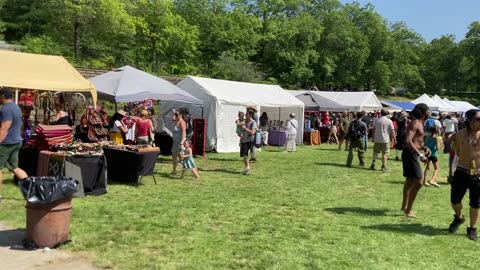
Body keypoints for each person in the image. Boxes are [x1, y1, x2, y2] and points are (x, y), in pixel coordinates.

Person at [447, 109, 480, 240]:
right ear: (469, 120)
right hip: (462, 171)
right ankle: (459, 217)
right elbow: (452, 148)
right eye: (478, 119)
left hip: (478, 173)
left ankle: (472, 228)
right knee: (455, 200)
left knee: (476, 203)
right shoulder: (459, 134)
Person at [401, 103, 430, 218]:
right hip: (410, 154)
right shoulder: (415, 123)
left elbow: (416, 140)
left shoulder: (420, 123)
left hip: (413, 153)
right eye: (428, 111)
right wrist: (421, 155)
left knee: (409, 181)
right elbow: (408, 140)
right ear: (424, 112)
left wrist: (423, 147)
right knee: (418, 182)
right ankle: (408, 209)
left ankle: (404, 206)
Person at [0, 87, 28, 203]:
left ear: (2, 96)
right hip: (16, 141)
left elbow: (4, 128)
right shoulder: (17, 107)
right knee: (14, 168)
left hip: (6, 143)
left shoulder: (5, 109)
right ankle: (31, 190)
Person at [240, 110, 257, 175]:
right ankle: (247, 168)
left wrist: (245, 128)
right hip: (244, 140)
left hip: (250, 141)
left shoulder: (253, 122)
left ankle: (247, 168)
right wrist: (240, 140)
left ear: (250, 115)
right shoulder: (245, 121)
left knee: (245, 155)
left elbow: (253, 132)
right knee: (245, 155)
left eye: (247, 114)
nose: (245, 115)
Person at [171, 109, 186, 175]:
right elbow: (172, 119)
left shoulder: (182, 122)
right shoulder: (177, 120)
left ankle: (193, 170)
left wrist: (181, 143)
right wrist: (175, 115)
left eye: (177, 114)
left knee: (183, 158)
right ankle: (174, 171)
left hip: (180, 143)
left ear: (181, 114)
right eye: (175, 114)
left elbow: (183, 133)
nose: (175, 116)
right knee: (174, 156)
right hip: (175, 142)